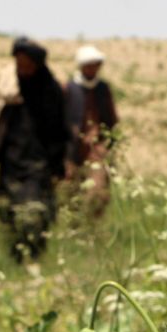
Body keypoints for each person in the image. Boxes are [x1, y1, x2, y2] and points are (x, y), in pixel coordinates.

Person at [0, 37, 70, 261]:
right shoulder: (9, 90)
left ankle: (35, 259)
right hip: (10, 162)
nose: (23, 69)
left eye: (27, 64)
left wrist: (58, 165)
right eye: (19, 63)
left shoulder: (50, 90)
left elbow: (59, 130)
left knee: (35, 214)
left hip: (38, 165)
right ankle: (17, 259)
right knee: (10, 213)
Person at [65, 45, 119, 217]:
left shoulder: (103, 89)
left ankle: (93, 226)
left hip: (97, 150)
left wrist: (109, 144)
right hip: (74, 150)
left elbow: (111, 119)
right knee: (71, 193)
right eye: (89, 65)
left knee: (98, 193)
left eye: (96, 65)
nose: (93, 69)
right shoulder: (70, 88)